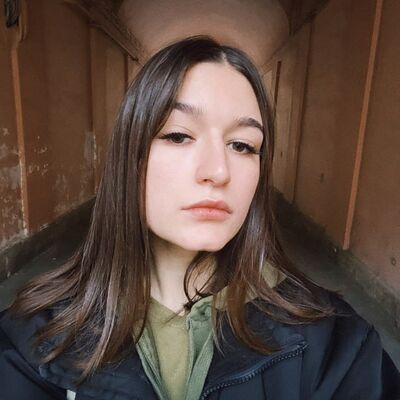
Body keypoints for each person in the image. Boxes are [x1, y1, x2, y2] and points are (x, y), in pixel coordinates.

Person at [0, 35, 399, 400]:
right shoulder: (35, 337)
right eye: (178, 136)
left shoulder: (336, 344)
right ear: (130, 156)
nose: (218, 171)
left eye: (242, 145)